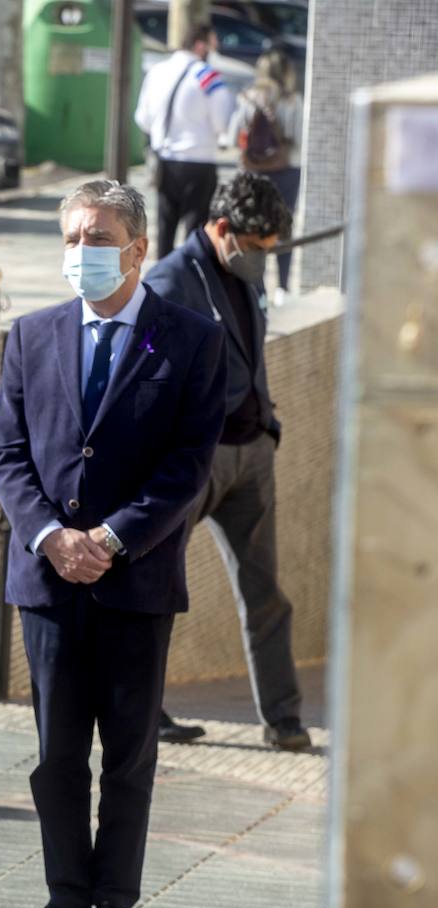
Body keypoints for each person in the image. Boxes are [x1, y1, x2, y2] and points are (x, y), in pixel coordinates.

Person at [0, 180, 226, 908]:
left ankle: (114, 896)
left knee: (128, 758)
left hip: (137, 581)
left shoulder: (191, 338)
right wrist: (52, 536)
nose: (81, 252)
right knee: (58, 757)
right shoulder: (32, 335)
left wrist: (113, 537)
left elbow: (189, 462)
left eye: (97, 238)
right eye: (71, 238)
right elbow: (8, 452)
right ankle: (67, 893)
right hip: (49, 584)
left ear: (137, 248)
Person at [144, 172, 308, 751]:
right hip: (196, 460)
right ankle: (148, 712)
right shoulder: (168, 281)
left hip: (253, 452)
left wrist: (267, 424)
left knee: (265, 593)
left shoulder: (247, 274)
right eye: (255, 247)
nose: (262, 259)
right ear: (221, 229)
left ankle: (283, 719)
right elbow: (144, 369)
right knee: (157, 586)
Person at [135, 24, 235, 260]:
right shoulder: (207, 75)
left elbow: (143, 118)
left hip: (164, 159)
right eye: (212, 45)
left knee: (164, 226)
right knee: (195, 229)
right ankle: (190, 277)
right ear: (200, 45)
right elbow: (223, 122)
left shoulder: (157, 71)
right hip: (198, 159)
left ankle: (162, 277)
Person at [229, 49, 302, 301]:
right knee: (283, 227)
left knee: (252, 227)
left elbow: (232, 136)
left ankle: (256, 287)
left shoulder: (248, 98)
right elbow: (298, 138)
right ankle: (282, 287)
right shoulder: (292, 100)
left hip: (252, 173)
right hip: (286, 172)